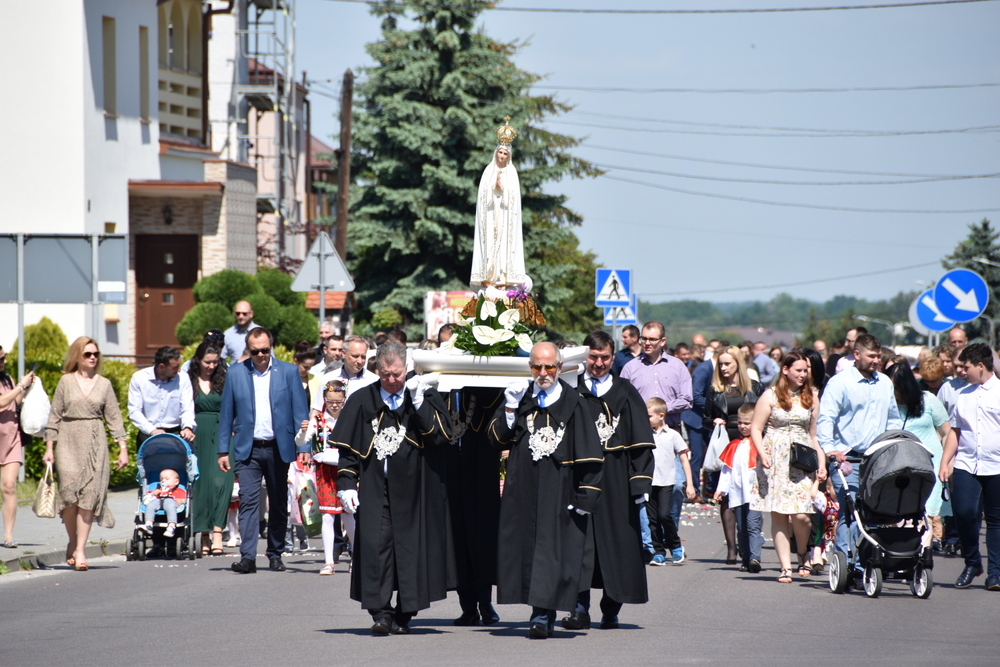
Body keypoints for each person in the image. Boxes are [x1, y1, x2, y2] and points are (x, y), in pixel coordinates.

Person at [332, 342, 455, 635]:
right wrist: (346, 485)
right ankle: (381, 613)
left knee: (412, 551)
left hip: (416, 491)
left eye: (396, 374)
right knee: (377, 548)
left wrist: (419, 401)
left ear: (405, 368)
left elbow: (441, 437)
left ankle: (405, 613)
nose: (390, 380)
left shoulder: (423, 394)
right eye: (385, 374)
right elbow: (348, 452)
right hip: (376, 488)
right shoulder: (362, 399)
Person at [488, 342, 603, 639]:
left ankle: (542, 615)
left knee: (553, 553)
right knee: (527, 551)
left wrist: (586, 496)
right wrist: (510, 408)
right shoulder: (521, 397)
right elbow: (496, 438)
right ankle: (539, 611)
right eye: (537, 366)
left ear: (560, 368)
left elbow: (591, 454)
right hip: (523, 488)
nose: (542, 372)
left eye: (549, 366)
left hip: (560, 489)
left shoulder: (575, 403)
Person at [564, 330, 654, 631]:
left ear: (612, 358)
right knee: (580, 543)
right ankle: (579, 609)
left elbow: (641, 439)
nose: (599, 363)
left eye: (604, 357)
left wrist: (640, 484)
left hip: (616, 479)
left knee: (617, 544)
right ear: (584, 357)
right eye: (593, 357)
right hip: (580, 477)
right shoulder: (572, 389)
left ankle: (611, 607)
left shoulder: (625, 391)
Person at [217, 326, 310, 574]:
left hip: (279, 448)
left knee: (279, 503)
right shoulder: (236, 373)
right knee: (248, 502)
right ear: (249, 349)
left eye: (265, 350)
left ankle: (275, 553)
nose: (260, 355)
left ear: (272, 347)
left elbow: (300, 412)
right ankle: (247, 557)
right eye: (255, 351)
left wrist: (305, 447)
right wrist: (222, 450)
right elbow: (226, 414)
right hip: (248, 450)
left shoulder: (289, 372)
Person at [42, 337, 127, 571]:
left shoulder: (105, 384)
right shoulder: (65, 382)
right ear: (77, 356)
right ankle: (72, 540)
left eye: (96, 354)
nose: (92, 358)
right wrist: (49, 449)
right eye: (88, 354)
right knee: (69, 498)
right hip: (68, 440)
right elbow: (54, 417)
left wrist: (122, 448)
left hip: (95, 442)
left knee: (89, 496)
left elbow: (114, 418)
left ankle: (80, 549)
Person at [818, 333, 901, 566]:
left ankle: (866, 558)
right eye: (871, 356)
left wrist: (893, 444)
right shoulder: (840, 382)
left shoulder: (885, 382)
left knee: (872, 512)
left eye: (878, 356)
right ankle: (847, 562)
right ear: (857, 355)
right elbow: (826, 419)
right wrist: (830, 449)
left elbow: (893, 419)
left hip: (877, 458)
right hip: (847, 458)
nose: (876, 360)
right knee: (850, 509)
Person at [751, 351, 827, 583]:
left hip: (802, 460)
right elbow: (756, 427)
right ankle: (785, 567)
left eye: (806, 370)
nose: (803, 374)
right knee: (780, 515)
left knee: (803, 515)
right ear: (785, 370)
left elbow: (814, 435)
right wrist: (762, 453)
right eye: (799, 370)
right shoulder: (770, 395)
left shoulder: (811, 396)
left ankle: (802, 552)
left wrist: (821, 463)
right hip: (774, 458)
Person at [939, 343, 1000, 591]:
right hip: (966, 463)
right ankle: (973, 562)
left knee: (995, 520)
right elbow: (955, 431)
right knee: (963, 512)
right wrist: (945, 462)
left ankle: (995, 574)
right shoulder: (963, 394)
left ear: (981, 366)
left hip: (996, 465)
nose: (962, 372)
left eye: (966, 367)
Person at [444, 386, 504, 626]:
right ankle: (468, 606)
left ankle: (485, 602)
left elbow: (494, 404)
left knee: (481, 539)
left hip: (480, 465)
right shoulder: (439, 383)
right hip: (449, 469)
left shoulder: (478, 383)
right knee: (458, 539)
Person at [704, 346, 763, 564]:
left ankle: (749, 544)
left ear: (738, 363)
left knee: (749, 492)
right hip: (725, 441)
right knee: (726, 494)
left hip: (750, 443)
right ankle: (731, 548)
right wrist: (714, 422)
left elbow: (765, 414)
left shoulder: (754, 387)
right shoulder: (715, 389)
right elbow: (705, 418)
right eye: (720, 364)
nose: (723, 367)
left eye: (727, 363)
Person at [883, 363, 951, 549]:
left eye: (895, 387)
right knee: (899, 514)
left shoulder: (928, 400)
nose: (893, 392)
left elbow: (947, 433)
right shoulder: (885, 405)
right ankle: (902, 555)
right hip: (896, 467)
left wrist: (947, 462)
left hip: (930, 466)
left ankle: (921, 557)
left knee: (926, 514)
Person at [297, 380, 356, 576]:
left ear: (345, 400)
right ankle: (329, 561)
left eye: (338, 402)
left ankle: (356, 555)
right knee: (328, 515)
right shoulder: (318, 420)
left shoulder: (351, 419)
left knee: (348, 513)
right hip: (324, 470)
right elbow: (301, 441)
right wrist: (303, 431)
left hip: (347, 469)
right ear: (324, 399)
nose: (334, 405)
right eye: (330, 401)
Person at [470, 120, 530, 292]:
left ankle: (503, 279)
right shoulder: (488, 171)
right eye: (500, 152)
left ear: (509, 156)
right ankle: (488, 278)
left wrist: (502, 189)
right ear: (495, 153)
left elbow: (513, 200)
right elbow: (483, 198)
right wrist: (494, 188)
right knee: (490, 247)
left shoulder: (512, 173)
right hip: (490, 216)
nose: (502, 156)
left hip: (505, 217)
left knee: (504, 248)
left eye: (505, 154)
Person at [187, 342, 232, 556]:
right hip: (197, 434)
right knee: (201, 484)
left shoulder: (225, 379)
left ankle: (217, 532)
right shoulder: (187, 380)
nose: (212, 366)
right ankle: (203, 532)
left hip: (222, 433)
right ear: (197, 360)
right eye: (207, 361)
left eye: (215, 362)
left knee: (221, 481)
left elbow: (235, 405)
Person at [714, 403, 764, 573]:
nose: (743, 426)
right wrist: (721, 489)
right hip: (737, 494)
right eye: (740, 423)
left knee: (752, 525)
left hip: (755, 493)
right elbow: (727, 470)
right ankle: (745, 557)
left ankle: (755, 558)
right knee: (741, 528)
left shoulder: (761, 444)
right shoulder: (734, 445)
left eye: (747, 423)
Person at [647, 397, 695, 566]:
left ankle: (675, 546)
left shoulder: (673, 435)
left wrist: (689, 484)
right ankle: (658, 552)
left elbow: (683, 459)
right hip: (649, 483)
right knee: (651, 519)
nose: (646, 420)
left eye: (649, 416)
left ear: (661, 415)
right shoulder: (645, 434)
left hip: (667, 482)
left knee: (664, 515)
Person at [620, 322, 693, 430]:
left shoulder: (678, 366)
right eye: (644, 338)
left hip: (670, 429)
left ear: (662, 341)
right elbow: (622, 399)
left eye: (652, 339)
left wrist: (660, 409)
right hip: (639, 430)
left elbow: (687, 400)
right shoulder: (630, 367)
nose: (647, 343)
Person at [127, 346, 196, 449]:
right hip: (149, 434)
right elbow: (134, 411)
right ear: (162, 366)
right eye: (174, 367)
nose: (178, 370)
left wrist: (187, 428)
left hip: (176, 433)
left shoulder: (183, 378)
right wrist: (152, 430)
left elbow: (187, 408)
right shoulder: (139, 378)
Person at [0, 348, 34, 548]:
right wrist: (20, 386)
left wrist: (26, 388)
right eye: (0, 359)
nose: (4, 361)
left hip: (11, 438)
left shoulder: (8, 380)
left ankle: (9, 535)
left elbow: (15, 403)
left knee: (9, 486)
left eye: (4, 358)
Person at [310, 335, 378, 416]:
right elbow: (317, 409)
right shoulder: (328, 377)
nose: (360, 361)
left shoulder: (374, 381)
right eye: (355, 356)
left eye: (363, 357)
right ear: (343, 353)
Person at [140, 468, 187, 538]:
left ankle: (171, 526)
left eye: (167, 479)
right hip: (158, 501)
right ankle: (148, 525)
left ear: (176, 482)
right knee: (150, 505)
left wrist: (182, 500)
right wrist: (153, 493)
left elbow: (186, 499)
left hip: (171, 503)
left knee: (170, 503)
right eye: (161, 479)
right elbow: (147, 498)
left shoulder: (179, 491)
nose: (163, 481)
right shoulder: (158, 489)